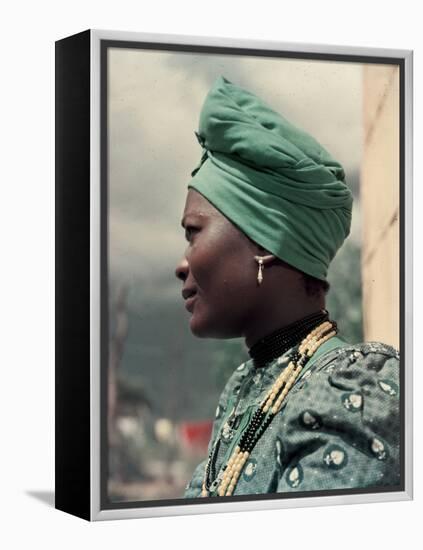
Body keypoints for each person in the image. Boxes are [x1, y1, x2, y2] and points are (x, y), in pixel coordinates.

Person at [174, 76, 400, 498]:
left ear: (266, 242)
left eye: (193, 232)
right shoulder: (248, 388)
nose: (181, 264)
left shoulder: (355, 396)